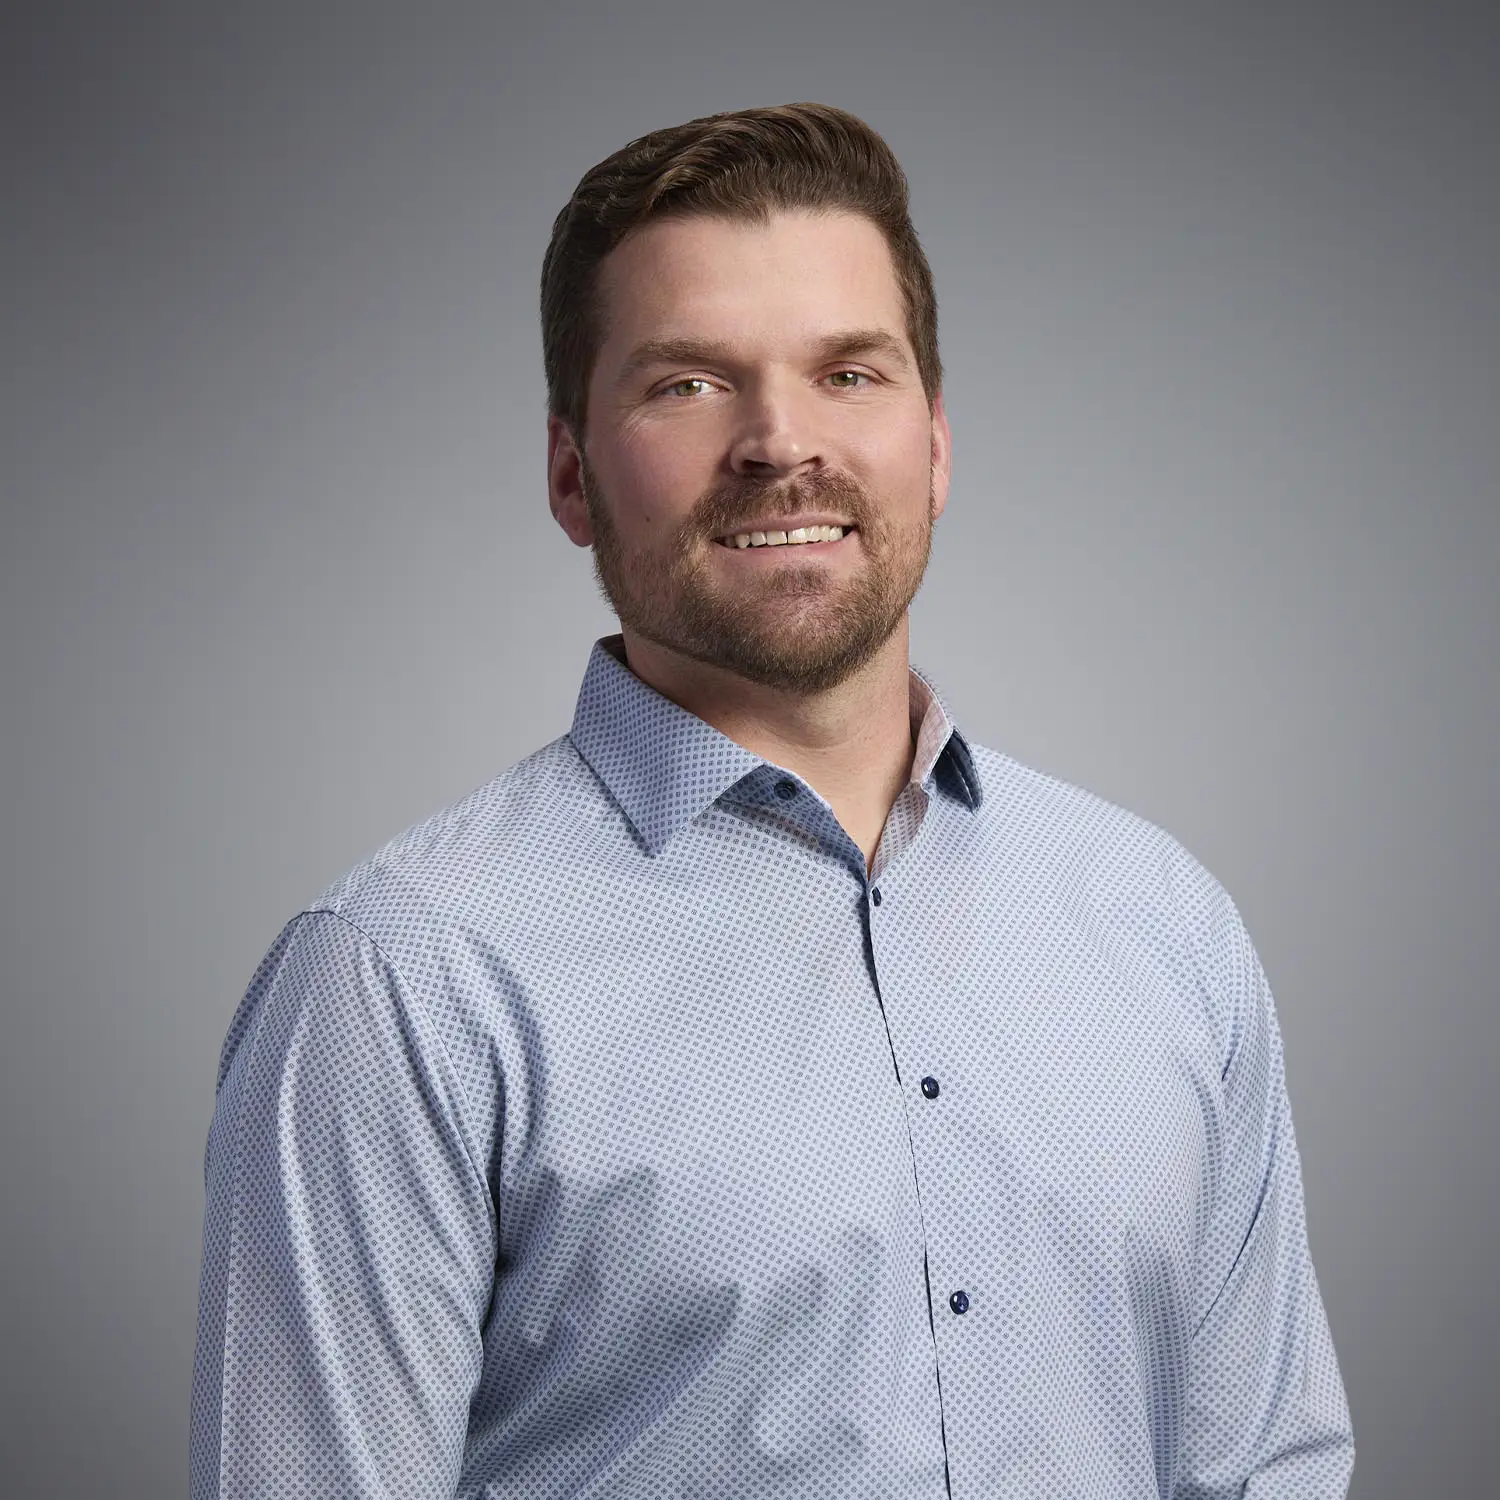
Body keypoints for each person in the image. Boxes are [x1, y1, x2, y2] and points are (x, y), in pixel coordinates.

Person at [190, 102, 1354, 1498]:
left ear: (936, 443)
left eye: (849, 373)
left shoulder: (1161, 920)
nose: (779, 442)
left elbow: (1266, 1468)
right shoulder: (402, 979)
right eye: (688, 384)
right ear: (571, 474)